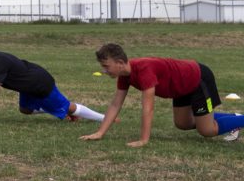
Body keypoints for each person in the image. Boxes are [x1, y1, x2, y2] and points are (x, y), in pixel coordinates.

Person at [80, 43, 244, 147]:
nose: (104, 70)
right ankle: (233, 118)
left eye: (106, 66)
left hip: (198, 80)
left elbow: (148, 108)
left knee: (207, 130)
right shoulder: (124, 76)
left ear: (120, 63)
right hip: (182, 87)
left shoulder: (144, 70)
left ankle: (239, 120)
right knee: (182, 124)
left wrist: (144, 139)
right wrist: (100, 133)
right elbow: (115, 104)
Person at [0, 42, 105, 130]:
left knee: (69, 107)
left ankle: (104, 118)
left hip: (39, 84)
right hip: (28, 86)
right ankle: (58, 110)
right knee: (25, 110)